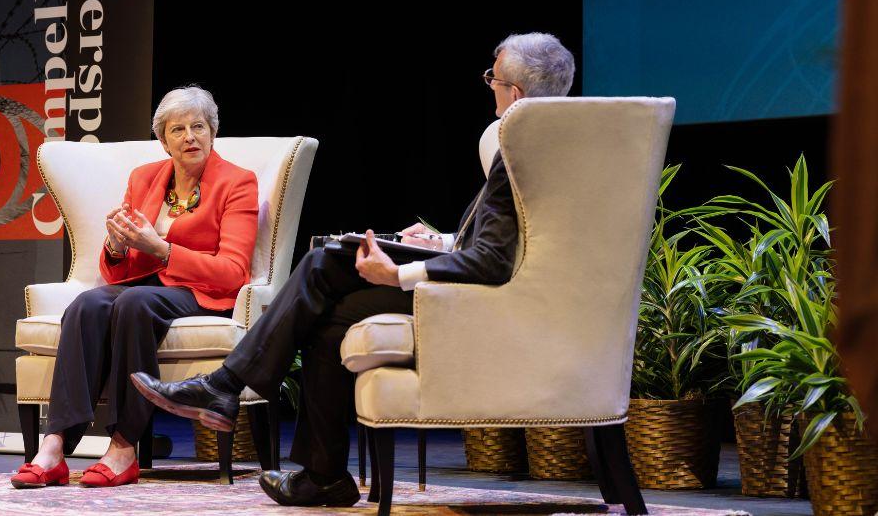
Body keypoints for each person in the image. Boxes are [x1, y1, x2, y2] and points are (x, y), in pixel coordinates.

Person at [132, 33, 575, 506]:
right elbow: (500, 242)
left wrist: (398, 274)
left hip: (476, 292)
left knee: (325, 261)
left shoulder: (521, 152)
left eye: (494, 78)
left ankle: (223, 385)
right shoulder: (547, 143)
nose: (489, 86)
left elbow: (491, 261)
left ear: (517, 94)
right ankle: (322, 476)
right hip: (470, 276)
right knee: (328, 317)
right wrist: (439, 241)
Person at [10, 86, 259, 489]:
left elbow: (232, 272)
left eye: (198, 127)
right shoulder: (144, 178)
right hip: (147, 287)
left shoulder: (237, 182)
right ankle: (55, 444)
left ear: (212, 133)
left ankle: (124, 445)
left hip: (202, 292)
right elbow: (116, 274)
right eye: (177, 130)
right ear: (164, 141)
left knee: (134, 305)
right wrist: (116, 245)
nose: (190, 137)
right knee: (88, 304)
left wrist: (162, 250)